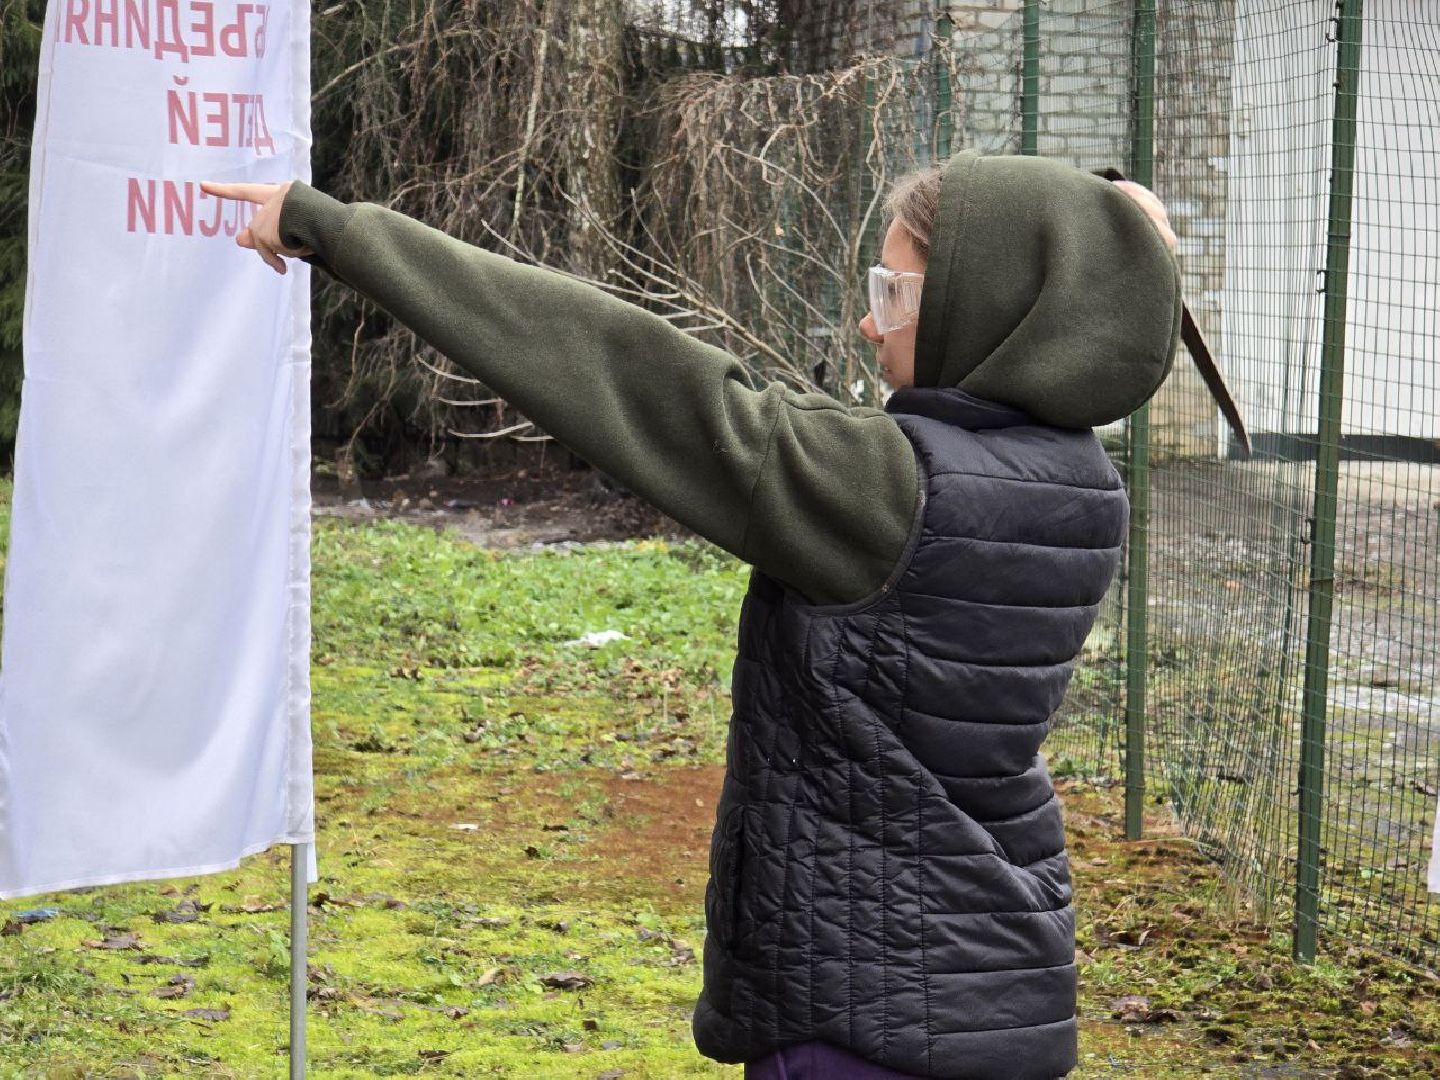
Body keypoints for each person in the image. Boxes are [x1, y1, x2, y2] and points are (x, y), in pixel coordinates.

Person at [200, 148, 1194, 1079]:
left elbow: (623, 365)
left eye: (892, 294)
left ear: (987, 308)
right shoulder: (1077, 481)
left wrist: (340, 231)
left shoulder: (891, 493)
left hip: (864, 1007)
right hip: (994, 978)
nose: (868, 322)